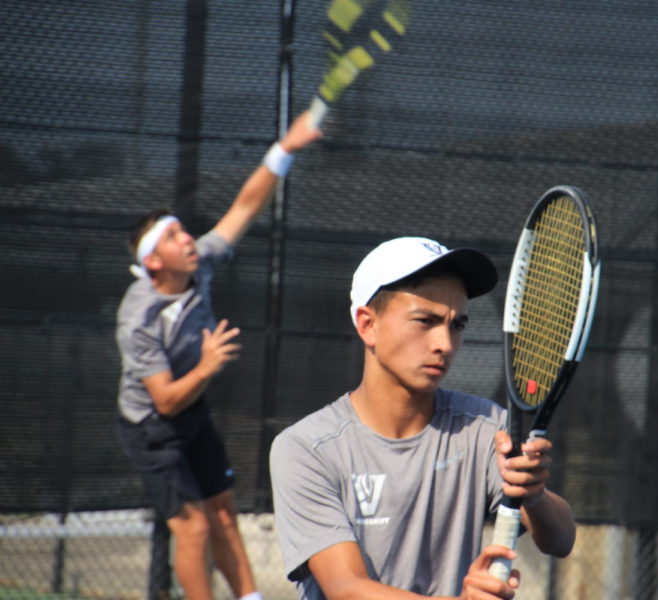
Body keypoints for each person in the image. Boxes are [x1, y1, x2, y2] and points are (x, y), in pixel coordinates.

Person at [269, 236, 577, 600]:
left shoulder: (485, 427)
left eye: (457, 325)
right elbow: (346, 589)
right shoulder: (305, 448)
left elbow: (560, 541)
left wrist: (535, 496)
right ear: (367, 324)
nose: (444, 344)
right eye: (425, 321)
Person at [115, 109, 322, 600]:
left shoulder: (200, 261)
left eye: (183, 230)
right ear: (152, 261)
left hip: (193, 414)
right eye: (172, 236)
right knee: (194, 530)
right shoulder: (138, 316)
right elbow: (164, 401)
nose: (187, 237)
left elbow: (244, 209)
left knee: (224, 512)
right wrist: (207, 365)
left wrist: (284, 150)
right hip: (152, 429)